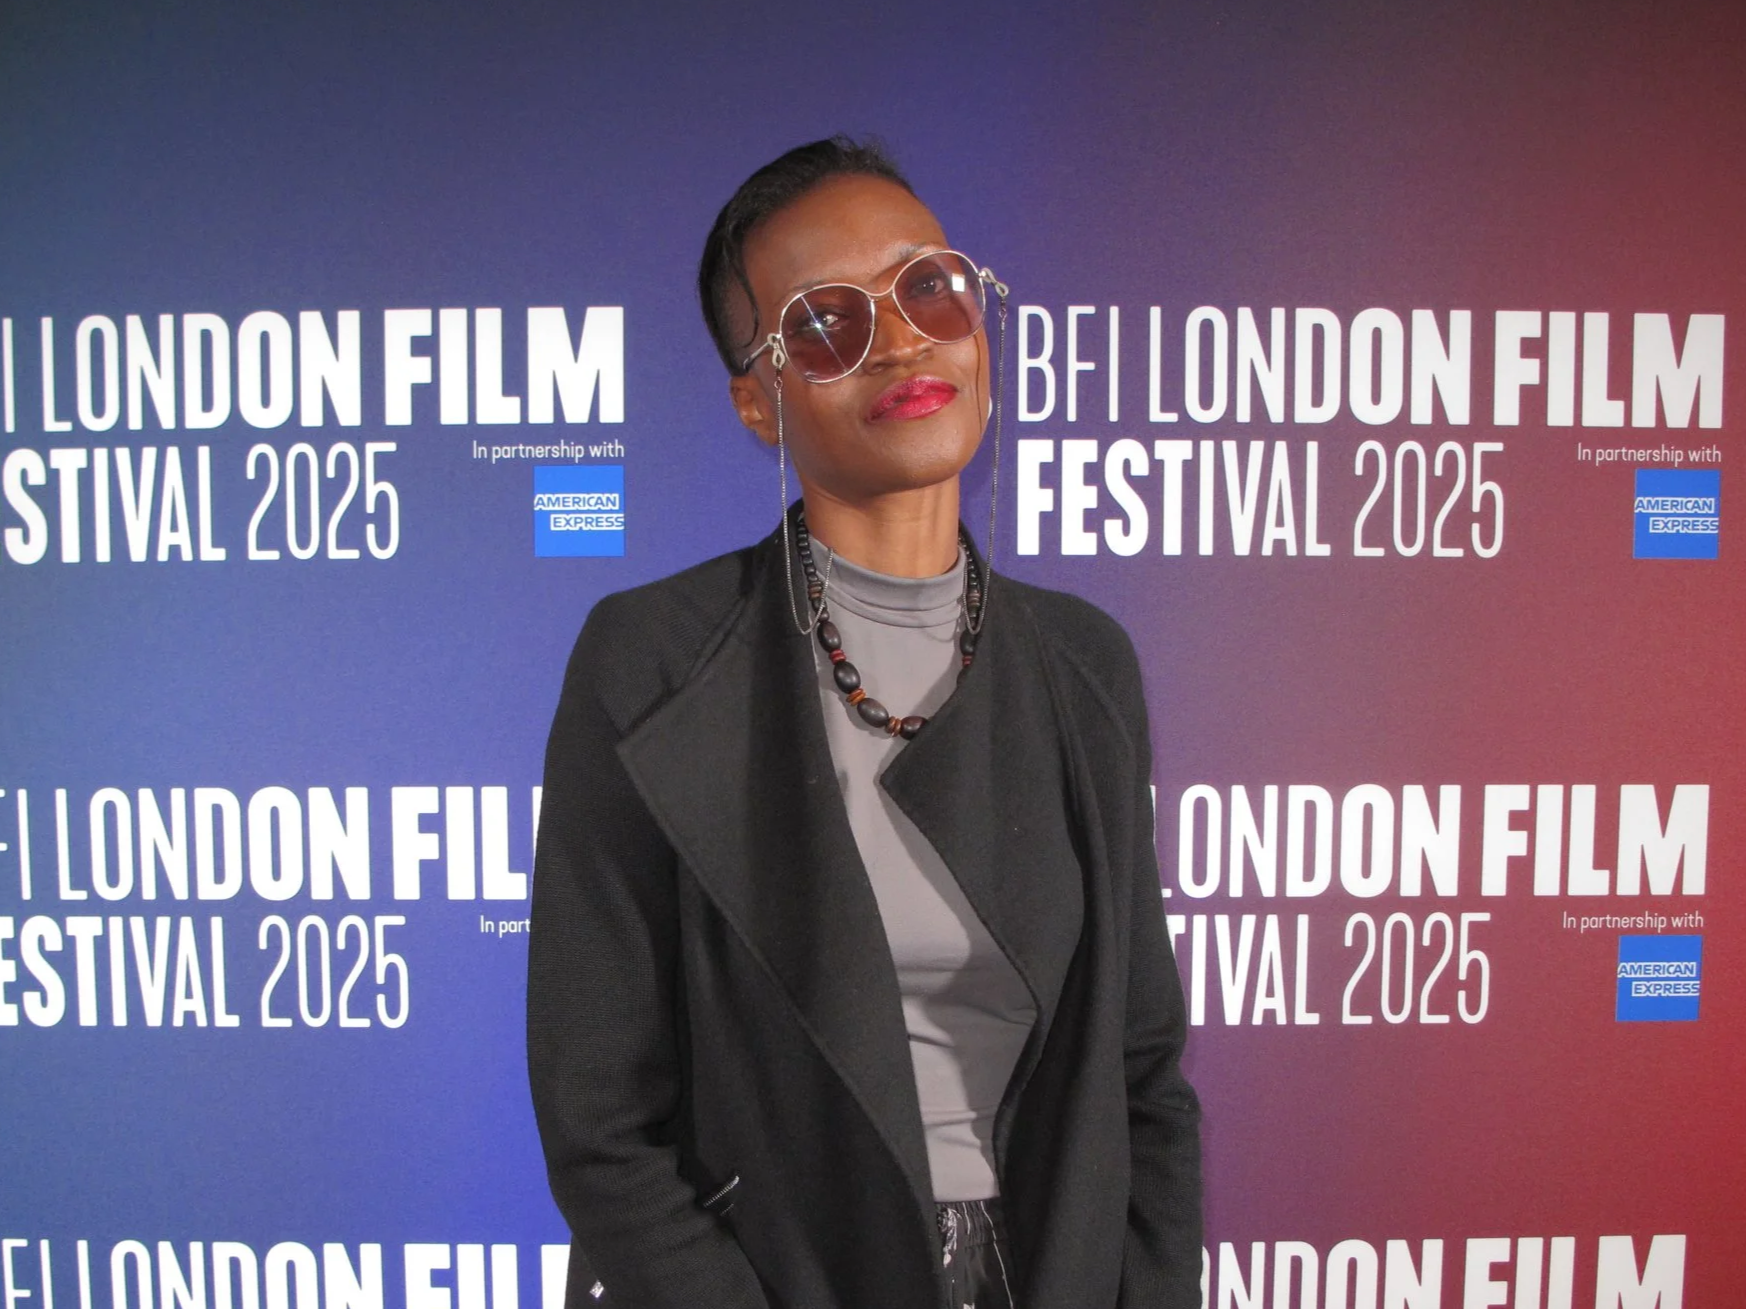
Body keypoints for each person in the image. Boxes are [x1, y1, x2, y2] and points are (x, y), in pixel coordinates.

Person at [527, 136, 1201, 1309]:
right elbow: (601, 1118)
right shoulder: (649, 662)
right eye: (830, 322)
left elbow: (1141, 1073)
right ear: (758, 397)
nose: (900, 339)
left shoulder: (1086, 667)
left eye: (928, 286)